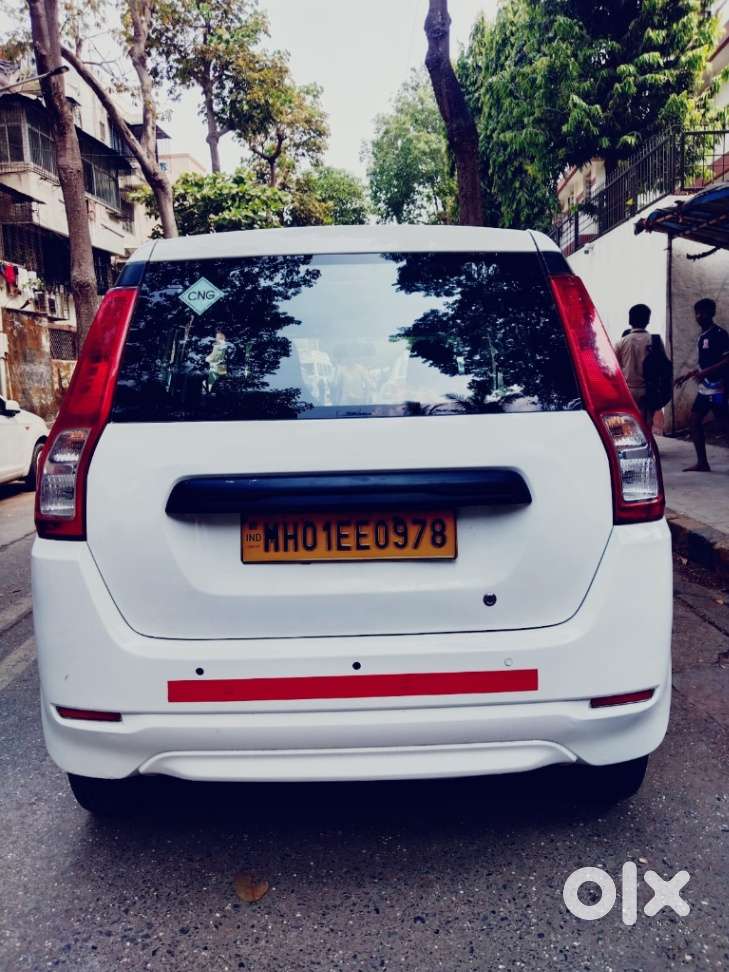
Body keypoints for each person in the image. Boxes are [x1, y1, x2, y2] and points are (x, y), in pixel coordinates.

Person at [675, 298, 729, 472]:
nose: (699, 316)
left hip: (718, 388)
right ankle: (702, 463)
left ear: (711, 314)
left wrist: (705, 373)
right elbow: (703, 364)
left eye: (702, 313)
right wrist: (688, 375)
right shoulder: (702, 337)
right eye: (697, 313)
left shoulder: (720, 334)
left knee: (723, 425)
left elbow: (727, 360)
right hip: (704, 389)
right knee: (694, 420)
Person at [614, 303, 665, 429]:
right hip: (649, 390)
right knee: (647, 425)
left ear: (630, 320)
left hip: (628, 391)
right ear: (648, 320)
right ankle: (648, 446)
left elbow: (615, 367)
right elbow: (663, 365)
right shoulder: (655, 341)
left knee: (629, 426)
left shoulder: (622, 342)